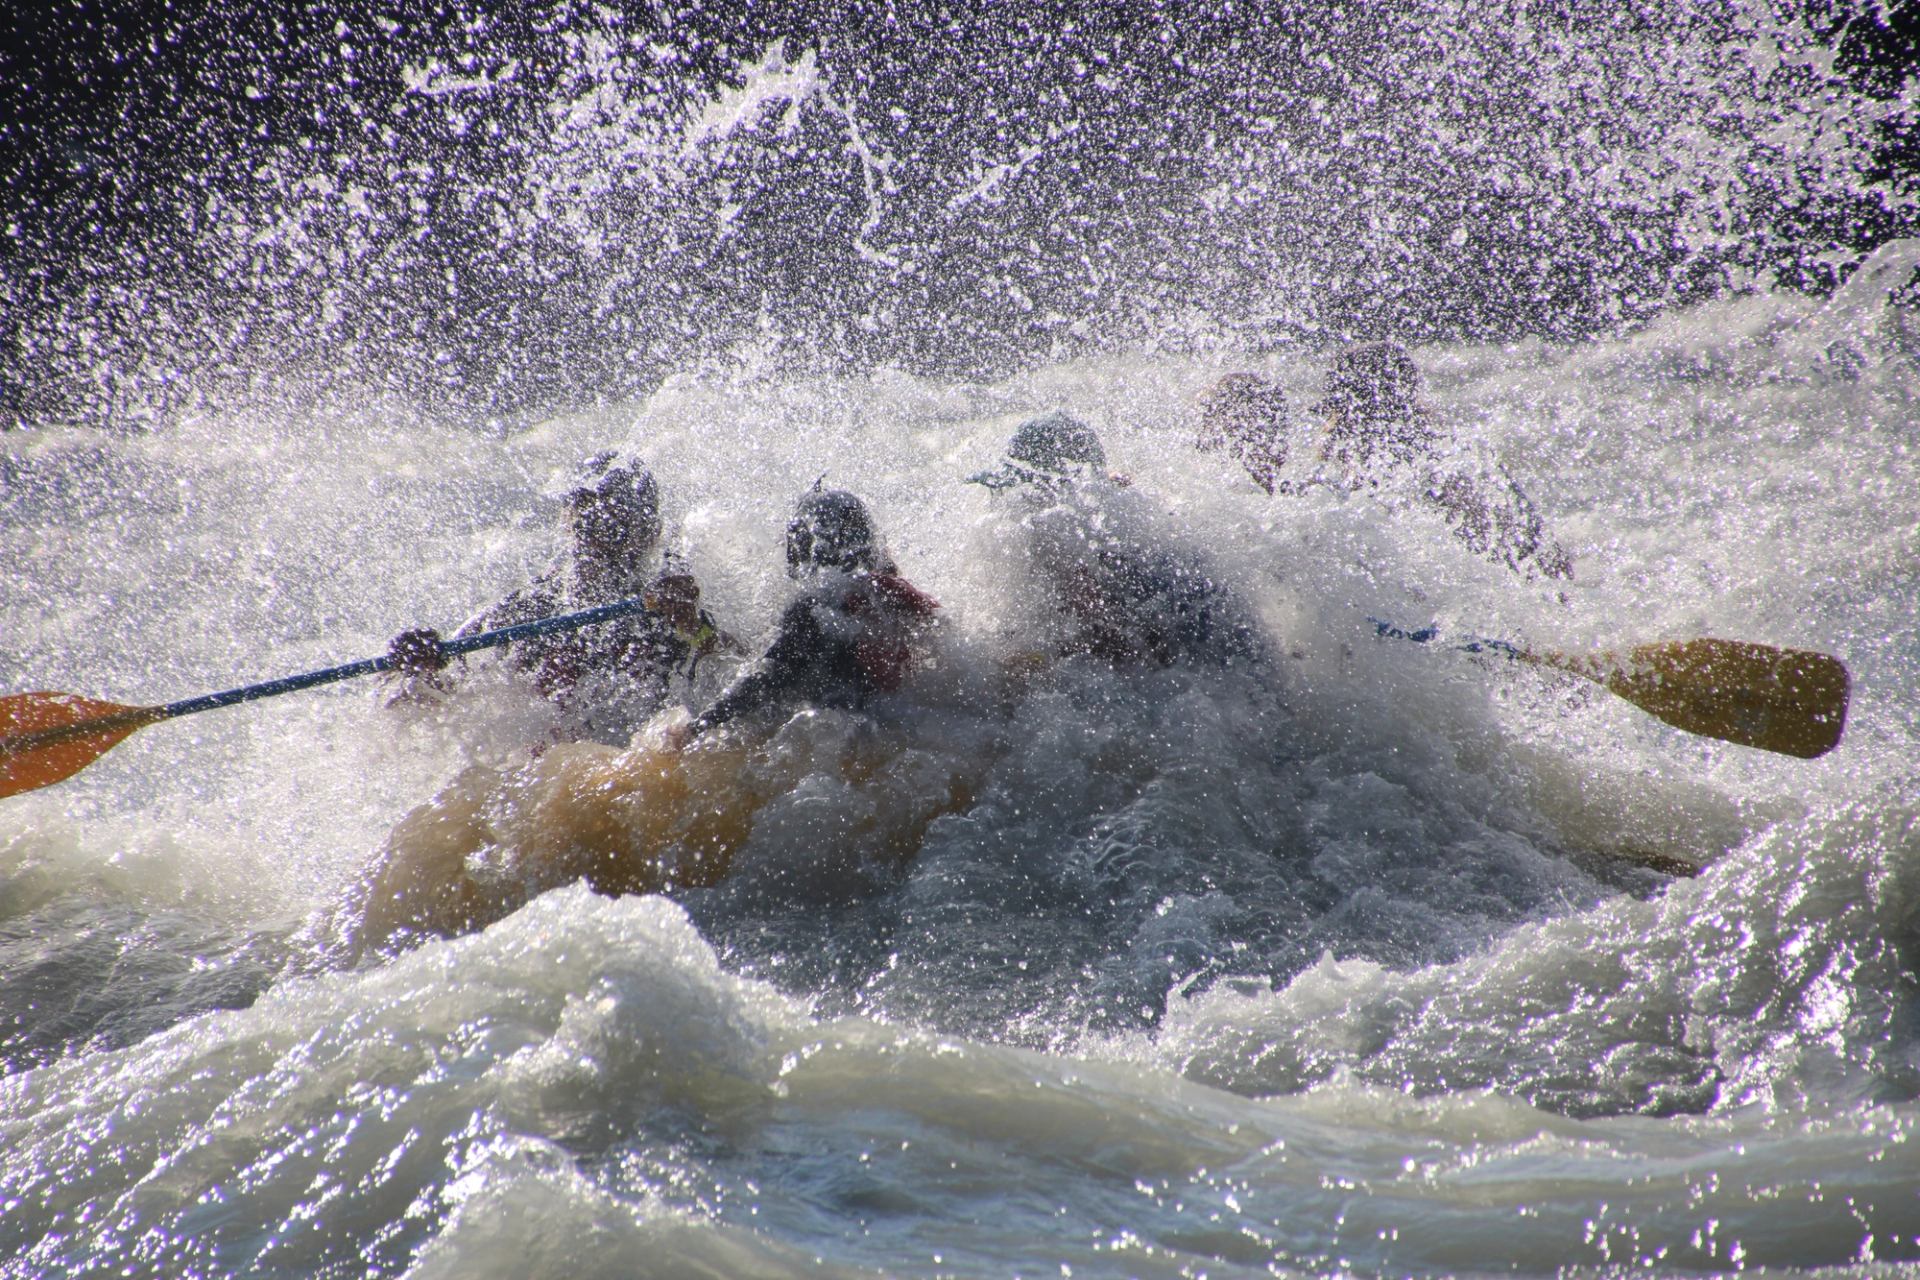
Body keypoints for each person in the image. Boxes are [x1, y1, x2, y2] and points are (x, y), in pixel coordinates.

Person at [383, 451, 736, 745]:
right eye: (587, 524)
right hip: (568, 771)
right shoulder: (529, 608)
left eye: (617, 527)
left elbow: (741, 671)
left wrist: (693, 628)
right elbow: (422, 699)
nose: (596, 543)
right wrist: (416, 668)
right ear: (567, 524)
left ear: (652, 533)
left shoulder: (675, 597)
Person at [1200, 343, 1574, 582]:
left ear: (1351, 418)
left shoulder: (1434, 474)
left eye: (1330, 416)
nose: (1322, 437)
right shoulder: (1458, 457)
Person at [971, 412, 1264, 669]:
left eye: (1011, 487)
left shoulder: (1051, 527)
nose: (1000, 500)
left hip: (1202, 654)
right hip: (1235, 635)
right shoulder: (1126, 515)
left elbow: (1104, 635)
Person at [673, 486, 941, 743]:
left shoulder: (816, 605)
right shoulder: (893, 595)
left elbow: (771, 675)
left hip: (836, 736)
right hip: (899, 727)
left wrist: (700, 725)